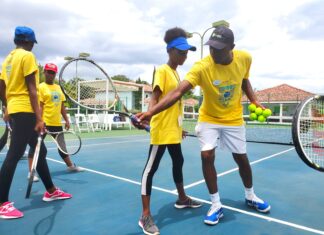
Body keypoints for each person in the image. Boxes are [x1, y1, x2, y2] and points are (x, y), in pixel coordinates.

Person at [137, 25, 271, 226]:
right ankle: (215, 205)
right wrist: (150, 112)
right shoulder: (200, 67)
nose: (213, 51)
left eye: (218, 48)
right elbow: (176, 93)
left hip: (232, 118)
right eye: (211, 47)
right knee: (206, 155)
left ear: (231, 47)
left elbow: (245, 81)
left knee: (240, 158)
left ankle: (250, 196)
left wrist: (253, 100)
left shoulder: (245, 58)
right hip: (206, 118)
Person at [0, 26, 72, 220]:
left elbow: (2, 86)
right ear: (29, 41)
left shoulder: (8, 58)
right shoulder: (27, 57)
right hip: (26, 110)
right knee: (14, 154)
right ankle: (1, 203)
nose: (33, 46)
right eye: (32, 43)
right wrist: (39, 118)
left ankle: (50, 190)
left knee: (41, 150)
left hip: (16, 108)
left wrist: (7, 107)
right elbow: (32, 89)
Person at [138, 27, 202, 235]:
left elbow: (175, 103)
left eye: (186, 52)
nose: (185, 55)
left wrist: (179, 127)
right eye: (182, 52)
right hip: (161, 131)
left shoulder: (176, 72)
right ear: (171, 50)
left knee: (178, 161)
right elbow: (155, 98)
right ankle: (145, 215)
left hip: (173, 130)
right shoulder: (163, 71)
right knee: (151, 169)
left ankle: (182, 198)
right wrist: (147, 114)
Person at [27, 63, 84, 182]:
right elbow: (40, 105)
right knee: (36, 147)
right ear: (44, 72)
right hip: (44, 122)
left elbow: (62, 106)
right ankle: (31, 173)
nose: (50, 74)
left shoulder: (58, 88)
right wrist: (40, 121)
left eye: (53, 72)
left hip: (56, 123)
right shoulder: (41, 87)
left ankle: (70, 166)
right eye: (48, 71)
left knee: (62, 147)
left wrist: (67, 120)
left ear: (55, 74)